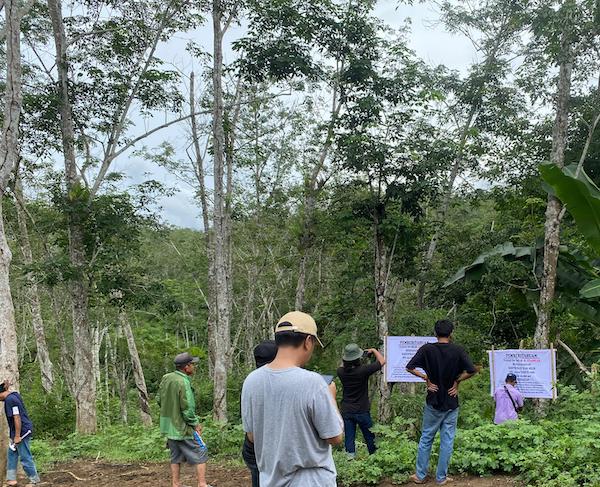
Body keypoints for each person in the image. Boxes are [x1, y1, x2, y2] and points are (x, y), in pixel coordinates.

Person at [241, 311, 343, 487]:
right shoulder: (313, 382)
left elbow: (252, 436)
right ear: (308, 342)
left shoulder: (251, 381)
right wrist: (331, 398)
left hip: (270, 480)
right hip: (312, 481)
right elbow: (334, 437)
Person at [406, 320, 477, 485]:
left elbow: (409, 367)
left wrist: (426, 379)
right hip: (451, 401)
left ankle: (420, 475)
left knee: (426, 438)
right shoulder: (458, 350)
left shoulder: (426, 349)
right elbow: (472, 370)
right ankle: (441, 478)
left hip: (433, 400)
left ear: (435, 333)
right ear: (451, 333)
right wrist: (457, 382)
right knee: (447, 439)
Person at [158, 352, 211, 487]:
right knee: (201, 449)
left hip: (169, 425)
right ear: (186, 367)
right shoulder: (183, 382)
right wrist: (195, 423)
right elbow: (187, 407)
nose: (194, 367)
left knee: (175, 455)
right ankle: (202, 484)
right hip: (182, 426)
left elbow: (159, 399)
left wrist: (171, 411)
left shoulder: (167, 378)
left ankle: (176, 484)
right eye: (192, 364)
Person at [337, 343, 386, 459]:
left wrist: (350, 358)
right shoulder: (363, 370)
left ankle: (350, 460)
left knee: (349, 437)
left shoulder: (340, 372)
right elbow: (382, 361)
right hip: (362, 410)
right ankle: (374, 458)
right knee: (369, 436)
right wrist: (373, 350)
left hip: (347, 410)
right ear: (357, 358)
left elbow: (343, 364)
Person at [242, 340, 278, 487]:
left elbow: (250, 430)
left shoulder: (250, 381)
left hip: (253, 445)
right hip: (271, 445)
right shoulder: (283, 382)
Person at [0, 380, 40, 487]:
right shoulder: (14, 395)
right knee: (12, 453)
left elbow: (17, 418)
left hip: (22, 431)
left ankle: (34, 481)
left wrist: (17, 436)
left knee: (25, 455)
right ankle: (11, 480)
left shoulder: (10, 400)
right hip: (17, 432)